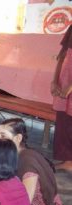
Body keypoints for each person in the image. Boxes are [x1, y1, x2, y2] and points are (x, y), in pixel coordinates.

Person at [0, 118, 72, 205]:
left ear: (18, 138)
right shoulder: (11, 153)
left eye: (2, 135)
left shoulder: (28, 162)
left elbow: (25, 201)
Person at [50, 24, 72, 171]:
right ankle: (68, 161)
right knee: (64, 121)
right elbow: (62, 54)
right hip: (65, 79)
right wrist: (55, 80)